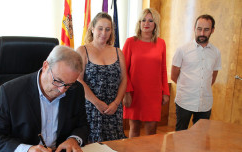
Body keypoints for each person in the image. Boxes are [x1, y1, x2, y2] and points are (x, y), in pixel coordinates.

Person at [0, 45, 89, 152]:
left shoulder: (76, 89)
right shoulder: (11, 92)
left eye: (68, 85)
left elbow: (82, 125)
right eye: (58, 81)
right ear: (45, 66)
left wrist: (74, 139)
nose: (62, 90)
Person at [76, 12, 127, 143]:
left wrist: (116, 103)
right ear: (92, 29)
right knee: (92, 150)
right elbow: (78, 80)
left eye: (107, 29)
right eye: (100, 28)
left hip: (113, 108)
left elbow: (124, 79)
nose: (104, 33)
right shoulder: (82, 50)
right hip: (91, 108)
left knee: (115, 147)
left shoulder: (118, 52)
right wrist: (98, 103)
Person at [122, 8, 169, 137]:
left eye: (150, 20)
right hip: (134, 93)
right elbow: (123, 69)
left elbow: (163, 69)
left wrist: (165, 91)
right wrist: (126, 93)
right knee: (134, 128)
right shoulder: (130, 42)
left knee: (152, 131)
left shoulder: (161, 43)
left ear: (155, 24)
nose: (146, 23)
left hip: (153, 94)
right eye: (143, 20)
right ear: (139, 22)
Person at [171, 14, 221, 131]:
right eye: (199, 29)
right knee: (180, 134)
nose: (202, 33)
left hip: (205, 103)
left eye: (206, 29)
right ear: (194, 29)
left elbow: (212, 78)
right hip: (184, 101)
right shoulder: (182, 50)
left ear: (212, 30)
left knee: (201, 137)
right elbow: (174, 76)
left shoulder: (216, 53)